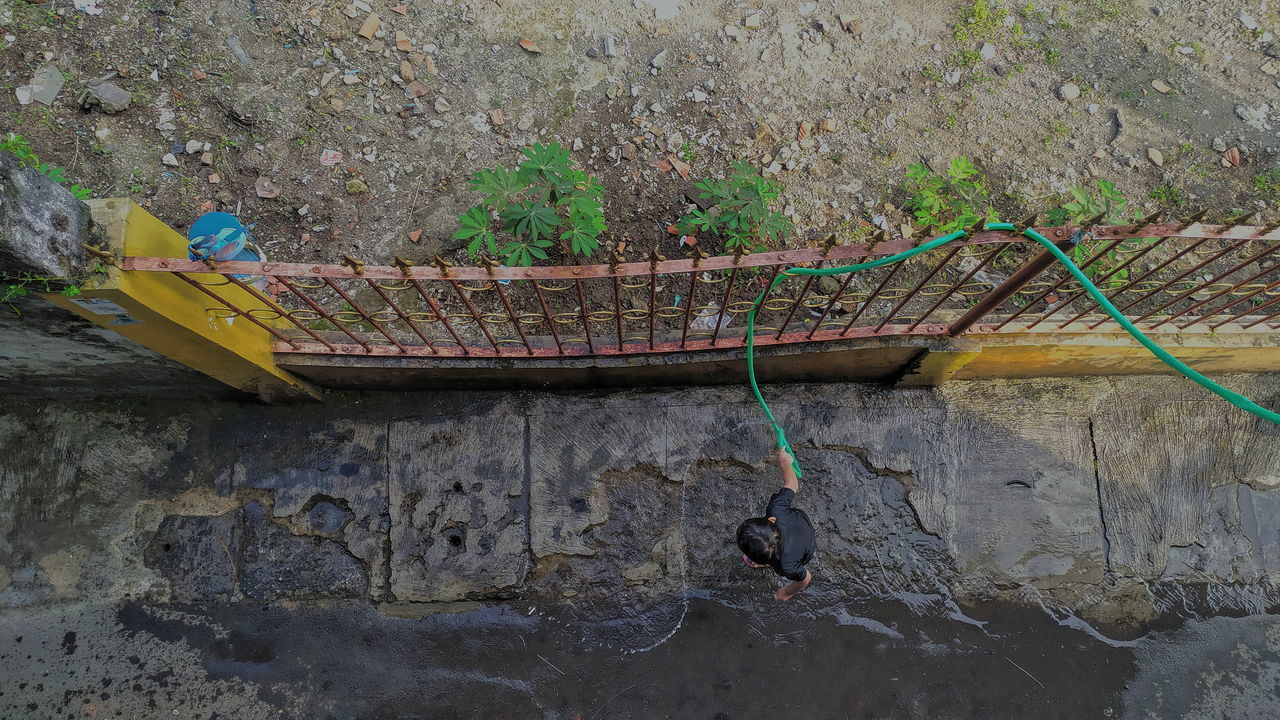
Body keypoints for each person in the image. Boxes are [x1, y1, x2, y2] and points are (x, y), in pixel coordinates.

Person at [736, 446, 815, 601]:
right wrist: (786, 462)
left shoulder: (787, 566)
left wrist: (787, 592)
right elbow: (792, 484)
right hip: (802, 524)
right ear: (771, 520)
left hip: (806, 550)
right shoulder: (776, 509)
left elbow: (806, 578)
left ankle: (755, 560)